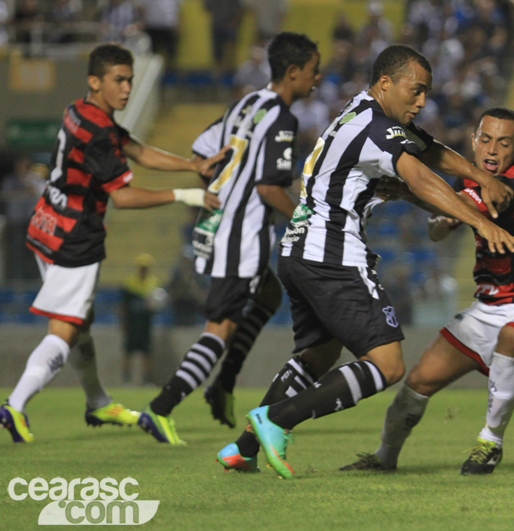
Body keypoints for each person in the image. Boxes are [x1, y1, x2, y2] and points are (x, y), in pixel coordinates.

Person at [216, 44, 514, 478]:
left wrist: (480, 175)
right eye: (415, 92)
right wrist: (481, 222)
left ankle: (243, 449)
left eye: (426, 94)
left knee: (318, 355)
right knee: (388, 364)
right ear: (385, 84)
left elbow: (429, 149)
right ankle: (276, 420)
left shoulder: (363, 113)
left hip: (299, 252)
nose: (421, 102)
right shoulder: (376, 127)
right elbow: (419, 174)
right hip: (333, 253)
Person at [339, 108, 514, 475]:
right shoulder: (471, 184)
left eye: (503, 143)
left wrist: (411, 194)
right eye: (485, 140)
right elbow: (440, 229)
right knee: (419, 381)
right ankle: (384, 457)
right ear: (473, 141)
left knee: (513, 338)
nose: (492, 150)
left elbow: (471, 207)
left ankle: (490, 443)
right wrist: (443, 219)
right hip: (490, 306)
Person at [0, 44, 225, 444]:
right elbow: (123, 197)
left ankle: (98, 401)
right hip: (75, 239)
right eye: (119, 80)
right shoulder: (101, 132)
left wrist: (191, 165)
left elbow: (136, 149)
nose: (126, 88)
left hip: (46, 224)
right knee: (65, 329)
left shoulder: (80, 111)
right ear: (95, 81)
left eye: (129, 80)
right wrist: (186, 194)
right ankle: (14, 406)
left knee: (80, 323)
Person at [138, 32, 321, 445]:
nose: (318, 77)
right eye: (313, 70)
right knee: (218, 328)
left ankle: (223, 382)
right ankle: (162, 407)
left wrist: (223, 183)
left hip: (217, 225)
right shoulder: (282, 119)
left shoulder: (246, 104)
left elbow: (203, 151)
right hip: (242, 238)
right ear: (292, 73)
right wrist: (306, 218)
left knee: (268, 294)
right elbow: (269, 189)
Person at [120, 253, 162, 385]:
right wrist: (123, 322)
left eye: (146, 267)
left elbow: (157, 306)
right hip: (132, 323)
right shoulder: (129, 283)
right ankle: (126, 380)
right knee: (128, 352)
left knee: (146, 353)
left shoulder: (154, 283)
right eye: (142, 267)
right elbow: (123, 306)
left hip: (145, 324)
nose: (144, 270)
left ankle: (147, 380)